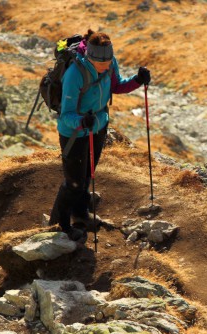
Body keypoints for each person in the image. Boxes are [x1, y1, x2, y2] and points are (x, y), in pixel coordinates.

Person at [51, 30, 151, 241]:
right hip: (74, 134)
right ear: (90, 57)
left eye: (109, 62)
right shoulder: (75, 74)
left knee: (87, 174)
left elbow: (117, 86)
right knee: (73, 181)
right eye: (102, 64)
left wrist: (137, 80)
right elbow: (66, 113)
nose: (107, 67)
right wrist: (81, 122)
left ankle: (81, 215)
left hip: (97, 127)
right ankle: (60, 226)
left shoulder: (109, 61)